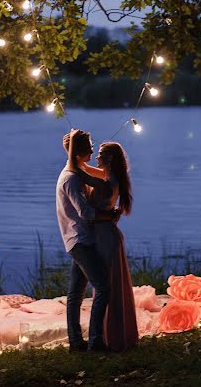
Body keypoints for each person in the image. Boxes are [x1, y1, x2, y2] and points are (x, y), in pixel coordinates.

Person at [68, 130, 139, 352]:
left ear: (108, 159)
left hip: (105, 236)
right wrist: (71, 150)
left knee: (106, 286)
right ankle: (105, 334)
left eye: (100, 154)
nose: (96, 156)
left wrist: (72, 152)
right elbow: (84, 169)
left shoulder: (107, 182)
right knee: (105, 285)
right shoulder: (108, 176)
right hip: (102, 234)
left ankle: (106, 337)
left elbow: (79, 173)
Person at [56, 129, 119, 353]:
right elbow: (85, 213)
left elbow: (102, 177)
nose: (93, 149)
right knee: (103, 288)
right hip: (80, 241)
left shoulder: (78, 169)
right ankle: (95, 341)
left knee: (75, 294)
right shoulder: (71, 178)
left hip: (79, 239)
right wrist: (109, 216)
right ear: (81, 150)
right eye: (90, 146)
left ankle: (76, 342)